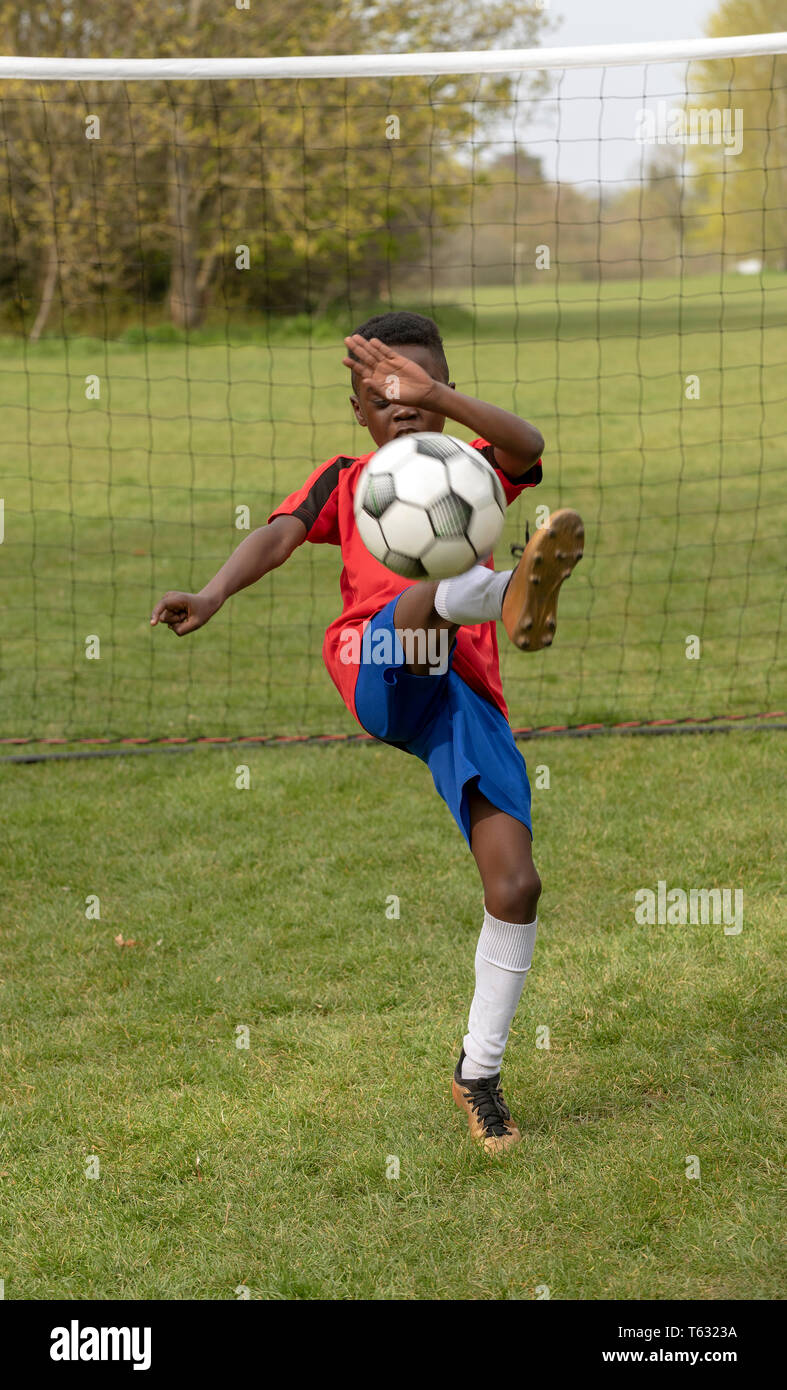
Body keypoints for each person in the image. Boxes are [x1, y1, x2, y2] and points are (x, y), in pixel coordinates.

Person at [151, 311, 583, 1154]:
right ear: (358, 412)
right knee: (426, 594)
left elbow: (528, 447)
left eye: (416, 391)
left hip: (463, 697)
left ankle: (478, 1075)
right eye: (382, 397)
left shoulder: (473, 471)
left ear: (441, 394)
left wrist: (443, 398)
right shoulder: (348, 480)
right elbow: (277, 535)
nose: (403, 406)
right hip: (376, 661)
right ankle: (505, 594)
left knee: (515, 886)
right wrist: (210, 594)